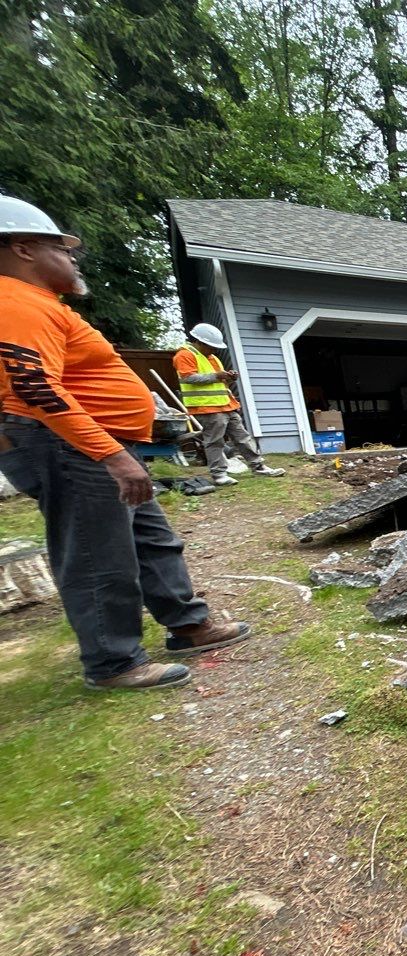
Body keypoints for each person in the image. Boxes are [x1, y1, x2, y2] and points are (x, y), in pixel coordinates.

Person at [0, 194, 249, 689]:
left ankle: (188, 624)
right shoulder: (15, 303)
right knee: (97, 552)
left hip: (99, 444)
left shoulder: (41, 305)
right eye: (62, 248)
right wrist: (110, 453)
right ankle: (113, 662)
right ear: (23, 249)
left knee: (151, 538)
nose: (72, 258)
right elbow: (34, 387)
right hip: (72, 448)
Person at [172, 323, 284, 486]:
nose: (214, 350)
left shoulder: (212, 357)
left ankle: (258, 466)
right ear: (200, 342)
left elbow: (218, 381)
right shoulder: (184, 355)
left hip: (226, 405)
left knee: (242, 437)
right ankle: (219, 474)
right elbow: (189, 378)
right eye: (211, 346)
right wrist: (217, 376)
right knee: (215, 441)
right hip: (207, 407)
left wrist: (229, 377)